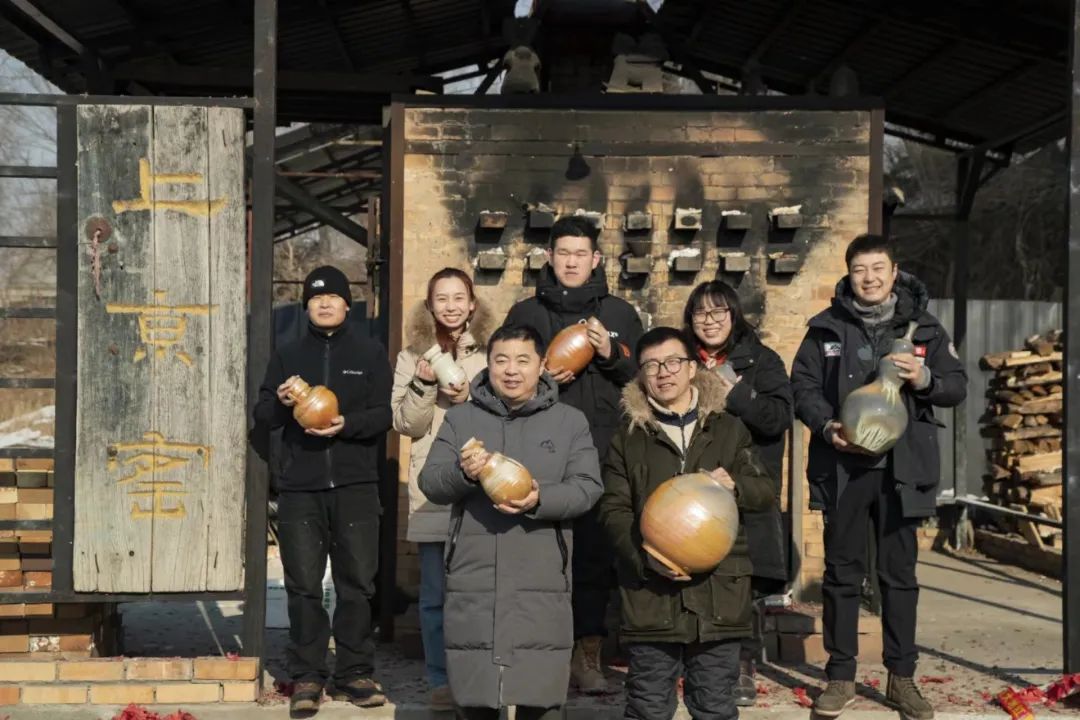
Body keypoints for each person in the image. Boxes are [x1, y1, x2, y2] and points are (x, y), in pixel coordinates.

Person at [790, 235, 967, 720]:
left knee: (899, 576)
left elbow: (956, 386)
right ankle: (840, 676)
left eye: (877, 268)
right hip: (844, 468)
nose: (868, 278)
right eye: (859, 270)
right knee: (841, 574)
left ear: (894, 272)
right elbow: (802, 386)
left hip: (902, 471)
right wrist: (827, 426)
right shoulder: (826, 327)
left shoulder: (925, 328)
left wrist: (924, 380)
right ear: (849, 274)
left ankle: (901, 677)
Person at [418, 324, 603, 720]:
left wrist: (540, 498)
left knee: (541, 699)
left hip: (542, 576)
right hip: (474, 574)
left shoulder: (569, 422)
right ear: (489, 364)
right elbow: (430, 482)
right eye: (501, 360)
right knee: (476, 698)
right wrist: (463, 474)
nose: (512, 370)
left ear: (542, 365)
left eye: (523, 360)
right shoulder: (461, 419)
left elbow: (588, 487)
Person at [598, 326, 775, 720]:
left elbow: (765, 490)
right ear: (641, 375)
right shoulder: (628, 437)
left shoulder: (728, 428)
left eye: (673, 362)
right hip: (651, 596)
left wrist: (736, 486)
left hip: (719, 593)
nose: (664, 372)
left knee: (714, 706)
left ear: (692, 368)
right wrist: (644, 558)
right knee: (648, 706)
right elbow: (613, 509)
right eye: (652, 365)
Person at [504, 215, 643, 692]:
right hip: (536, 452)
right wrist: (538, 380)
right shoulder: (525, 314)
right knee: (537, 559)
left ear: (596, 259)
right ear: (549, 257)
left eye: (580, 254)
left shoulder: (620, 315)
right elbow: (501, 377)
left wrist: (611, 355)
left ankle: (587, 657)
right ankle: (538, 657)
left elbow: (644, 382)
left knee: (593, 560)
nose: (571, 262)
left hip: (600, 455)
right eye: (563, 253)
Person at [251, 265, 393, 715]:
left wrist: (347, 424)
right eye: (316, 298)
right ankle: (308, 675)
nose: (325, 303)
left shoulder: (369, 352)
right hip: (301, 487)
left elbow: (384, 414)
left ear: (346, 304)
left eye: (332, 296)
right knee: (303, 585)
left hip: (356, 485)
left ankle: (354, 673)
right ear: (306, 306)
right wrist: (282, 403)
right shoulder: (288, 354)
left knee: (358, 585)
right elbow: (263, 414)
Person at [683, 281, 793, 705]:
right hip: (692, 486)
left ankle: (743, 663)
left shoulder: (762, 361)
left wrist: (739, 396)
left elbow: (779, 417)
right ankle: (696, 661)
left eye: (718, 312)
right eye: (700, 313)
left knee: (742, 578)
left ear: (734, 316)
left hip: (744, 484)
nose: (709, 321)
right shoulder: (680, 359)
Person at [390, 268, 492, 712]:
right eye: (441, 299)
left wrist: (470, 397)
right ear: (429, 306)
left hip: (481, 483)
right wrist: (424, 383)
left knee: (478, 594)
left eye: (458, 298)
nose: (450, 306)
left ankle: (477, 676)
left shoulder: (490, 354)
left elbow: (503, 415)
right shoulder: (411, 356)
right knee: (434, 597)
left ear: (472, 304)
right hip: (431, 487)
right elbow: (405, 423)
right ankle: (439, 680)